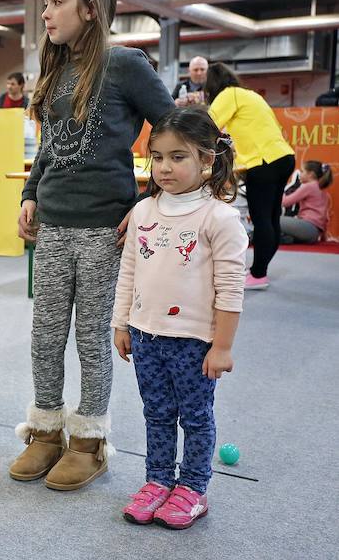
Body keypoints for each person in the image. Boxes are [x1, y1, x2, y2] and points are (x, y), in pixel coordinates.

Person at [10, 0, 174, 491]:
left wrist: (149, 200)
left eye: (57, 1)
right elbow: (50, 148)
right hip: (54, 225)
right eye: (46, 1)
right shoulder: (55, 69)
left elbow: (180, 135)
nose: (46, 11)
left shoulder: (125, 64)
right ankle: (46, 431)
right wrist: (30, 194)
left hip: (106, 228)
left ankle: (89, 441)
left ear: (91, 8)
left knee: (91, 338)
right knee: (46, 334)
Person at [114, 107, 247, 530]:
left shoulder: (219, 218)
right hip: (147, 335)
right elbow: (129, 270)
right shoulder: (143, 212)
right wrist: (121, 323)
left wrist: (222, 346)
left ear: (207, 160)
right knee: (155, 412)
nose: (164, 168)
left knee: (194, 417)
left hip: (194, 341)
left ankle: (192, 488)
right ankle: (157, 481)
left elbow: (230, 289)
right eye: (157, 157)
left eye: (178, 157)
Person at [205, 62, 295, 290]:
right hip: (284, 156)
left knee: (262, 218)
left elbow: (207, 124)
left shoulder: (228, 95)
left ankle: (258, 274)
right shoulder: (250, 95)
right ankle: (260, 270)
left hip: (263, 161)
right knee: (272, 217)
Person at [280, 161, 333, 244]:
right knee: (284, 234)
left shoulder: (309, 186)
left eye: (302, 171)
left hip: (307, 228)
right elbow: (325, 219)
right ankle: (286, 239)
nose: (300, 174)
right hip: (313, 235)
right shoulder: (322, 191)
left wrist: (280, 189)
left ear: (310, 174)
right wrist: (323, 238)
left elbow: (285, 202)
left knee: (271, 220)